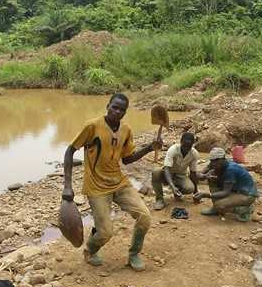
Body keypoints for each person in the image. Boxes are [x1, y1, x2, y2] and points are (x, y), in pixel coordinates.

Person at [62, 93, 162, 271]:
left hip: (119, 182)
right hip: (96, 186)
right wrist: (67, 186)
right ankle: (90, 249)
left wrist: (148, 148)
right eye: (114, 107)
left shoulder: (126, 130)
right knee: (106, 232)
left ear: (125, 112)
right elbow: (70, 151)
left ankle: (133, 254)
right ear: (107, 106)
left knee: (145, 217)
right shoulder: (92, 126)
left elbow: (127, 159)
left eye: (121, 110)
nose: (117, 112)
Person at [193, 147, 258, 222]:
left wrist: (205, 195)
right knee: (212, 179)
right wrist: (205, 176)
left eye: (216, 160)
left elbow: (225, 192)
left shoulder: (230, 169)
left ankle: (244, 210)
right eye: (212, 161)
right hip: (235, 189)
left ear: (223, 159)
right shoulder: (214, 164)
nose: (214, 163)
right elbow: (198, 174)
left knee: (219, 205)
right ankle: (216, 209)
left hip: (246, 194)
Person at [151, 132, 199, 210]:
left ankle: (177, 192)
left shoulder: (194, 154)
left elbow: (193, 173)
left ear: (192, 145)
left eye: (189, 147)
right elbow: (166, 168)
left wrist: (196, 192)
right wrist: (171, 185)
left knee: (190, 188)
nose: (186, 149)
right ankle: (160, 199)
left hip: (181, 176)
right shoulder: (173, 149)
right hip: (167, 174)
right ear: (181, 142)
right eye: (184, 146)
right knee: (156, 172)